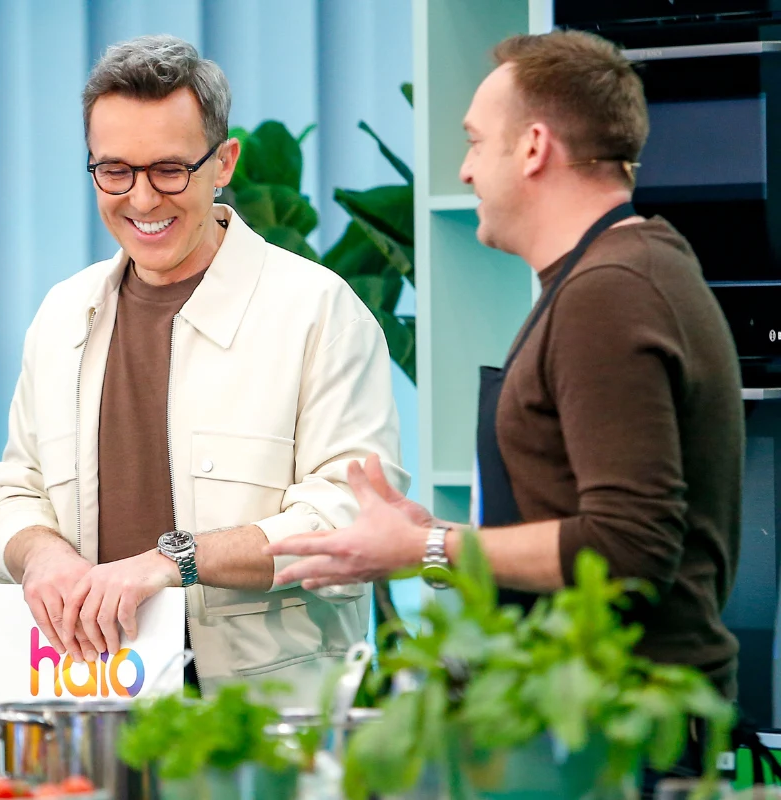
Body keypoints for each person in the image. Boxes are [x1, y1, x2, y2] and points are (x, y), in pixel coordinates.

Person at [268, 28, 743, 768]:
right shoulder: (625, 270)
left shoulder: (609, 293)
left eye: (474, 142)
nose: (463, 170)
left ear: (533, 148)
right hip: (598, 721)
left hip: (617, 736)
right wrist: (433, 535)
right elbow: (585, 523)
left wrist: (428, 548)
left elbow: (628, 547)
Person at [0, 35, 406, 700]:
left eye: (170, 170)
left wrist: (174, 562)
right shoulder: (63, 315)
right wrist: (41, 552)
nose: (143, 200)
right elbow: (14, 491)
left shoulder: (318, 310)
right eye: (115, 171)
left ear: (223, 162)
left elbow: (351, 520)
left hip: (268, 715)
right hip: (93, 703)